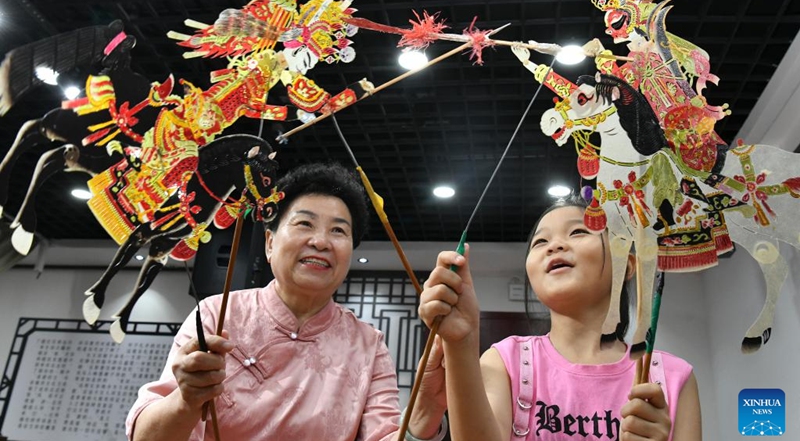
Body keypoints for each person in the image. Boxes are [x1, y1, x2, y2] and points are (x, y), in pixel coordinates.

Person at [126, 162, 448, 441]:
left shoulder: (367, 344)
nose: (321, 241)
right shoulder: (217, 315)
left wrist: (427, 408)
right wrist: (185, 400)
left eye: (338, 231)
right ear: (269, 243)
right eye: (305, 223)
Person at [418, 195, 702, 441]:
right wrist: (461, 342)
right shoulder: (505, 361)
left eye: (578, 232)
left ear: (625, 265)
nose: (554, 246)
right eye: (540, 241)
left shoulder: (672, 378)